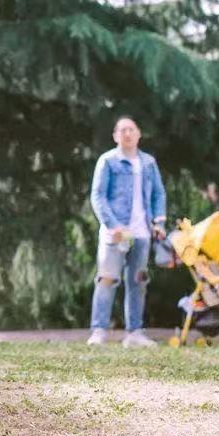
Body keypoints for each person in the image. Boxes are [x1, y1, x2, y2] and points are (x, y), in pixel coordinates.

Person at [87, 116, 166, 348]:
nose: (127, 134)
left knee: (138, 281)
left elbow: (159, 194)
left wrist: (158, 222)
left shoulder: (149, 163)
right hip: (115, 233)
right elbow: (97, 195)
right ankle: (99, 330)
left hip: (142, 233)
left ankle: (134, 333)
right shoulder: (107, 161)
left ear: (139, 134)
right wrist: (113, 225)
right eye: (122, 130)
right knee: (107, 280)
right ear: (115, 136)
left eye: (131, 129)